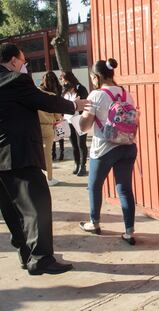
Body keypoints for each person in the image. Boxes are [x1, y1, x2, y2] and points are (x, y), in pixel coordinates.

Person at [0, 43, 88, 275]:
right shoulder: (15, 80)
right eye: (23, 60)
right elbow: (43, 100)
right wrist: (73, 105)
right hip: (18, 155)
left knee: (12, 210)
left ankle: (25, 254)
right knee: (38, 206)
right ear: (13, 62)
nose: (25, 65)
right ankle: (41, 258)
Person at [78, 58, 138, 245]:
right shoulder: (126, 93)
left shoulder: (96, 95)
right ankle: (129, 231)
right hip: (128, 146)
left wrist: (77, 118)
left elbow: (84, 125)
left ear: (96, 77)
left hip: (104, 149)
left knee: (95, 186)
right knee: (125, 189)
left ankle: (94, 223)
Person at [60, 71, 89, 176]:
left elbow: (85, 103)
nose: (63, 83)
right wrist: (64, 91)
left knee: (81, 144)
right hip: (68, 120)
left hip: (79, 119)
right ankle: (76, 164)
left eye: (63, 80)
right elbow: (61, 103)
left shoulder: (80, 88)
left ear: (69, 79)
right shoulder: (65, 90)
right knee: (74, 145)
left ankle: (83, 165)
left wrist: (75, 91)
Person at [38, 71, 63, 186]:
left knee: (36, 153)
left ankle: (38, 178)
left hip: (35, 127)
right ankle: (49, 178)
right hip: (48, 127)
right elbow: (58, 116)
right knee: (47, 154)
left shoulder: (36, 92)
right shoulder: (52, 96)